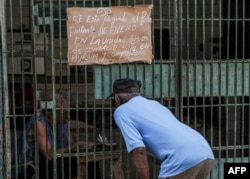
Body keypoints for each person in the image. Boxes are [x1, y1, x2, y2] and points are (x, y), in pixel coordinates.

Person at [109, 78, 214, 179]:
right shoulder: (155, 105)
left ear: (117, 98)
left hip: (182, 159)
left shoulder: (122, 111)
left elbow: (138, 150)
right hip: (205, 153)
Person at [13, 92, 100, 179]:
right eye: (64, 112)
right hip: (28, 169)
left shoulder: (61, 122)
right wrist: (75, 145)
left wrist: (93, 144)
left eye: (68, 110)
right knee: (56, 164)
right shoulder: (39, 123)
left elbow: (73, 145)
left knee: (89, 158)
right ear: (50, 113)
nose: (68, 115)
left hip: (46, 164)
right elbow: (49, 155)